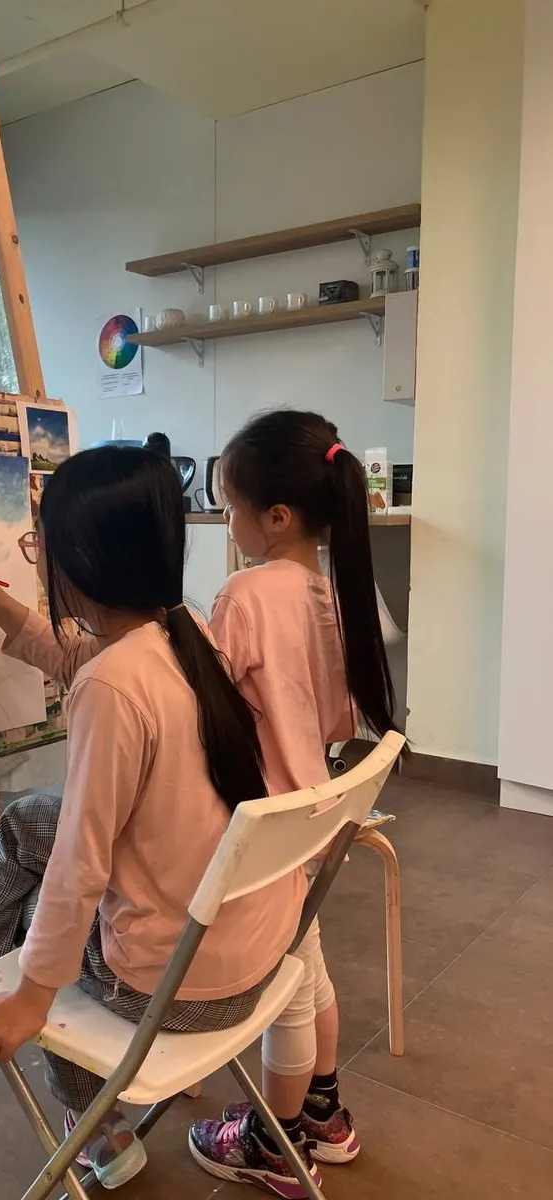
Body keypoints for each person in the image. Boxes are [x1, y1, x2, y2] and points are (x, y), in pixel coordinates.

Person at [0, 446, 313, 1191]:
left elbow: (80, 865)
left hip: (173, 990)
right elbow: (77, 656)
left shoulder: (114, 684)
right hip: (256, 958)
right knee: (27, 829)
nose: (36, 560)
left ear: (79, 558)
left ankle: (88, 1122)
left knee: (32, 911)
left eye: (38, 546)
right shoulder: (185, 633)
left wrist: (31, 998)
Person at [188, 410, 399, 1194]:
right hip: (315, 813)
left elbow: (202, 711)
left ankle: (274, 1145)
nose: (226, 521)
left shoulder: (245, 594)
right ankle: (323, 1112)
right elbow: (339, 721)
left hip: (262, 828)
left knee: (291, 987)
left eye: (230, 506)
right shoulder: (337, 590)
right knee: (309, 968)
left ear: (275, 517)